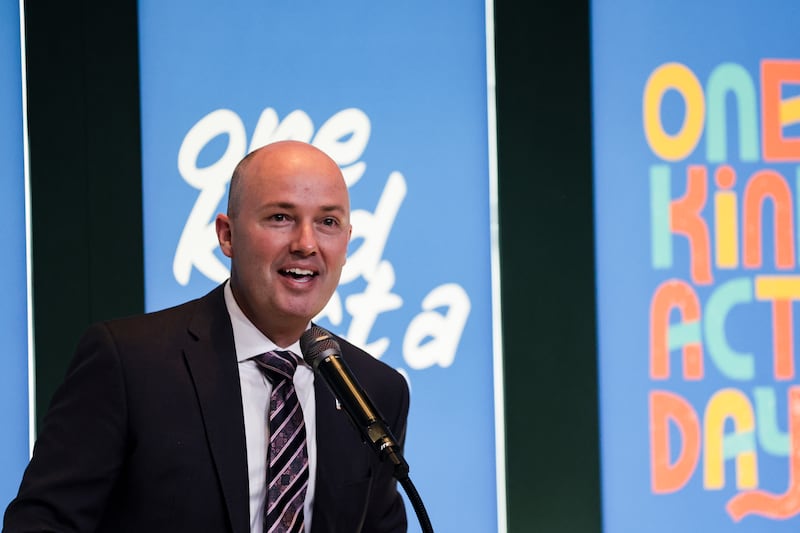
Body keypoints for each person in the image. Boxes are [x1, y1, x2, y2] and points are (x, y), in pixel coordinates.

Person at [3, 141, 410, 532]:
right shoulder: (128, 363)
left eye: (328, 222)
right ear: (227, 235)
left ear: (347, 242)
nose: (306, 244)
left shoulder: (374, 389)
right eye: (280, 218)